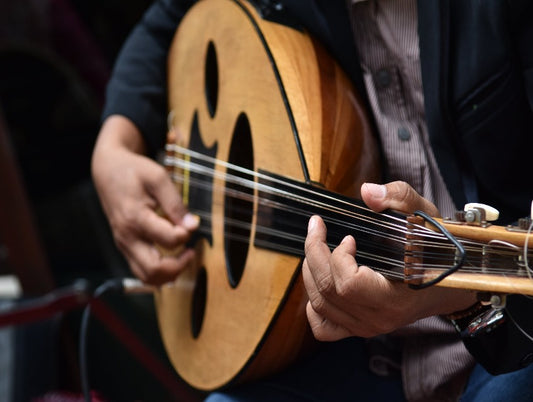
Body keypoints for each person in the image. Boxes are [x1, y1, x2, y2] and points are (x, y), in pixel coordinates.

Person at [91, 0, 533, 400]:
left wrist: (455, 295)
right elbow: (167, 21)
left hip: (509, 338)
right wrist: (114, 147)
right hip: (346, 354)